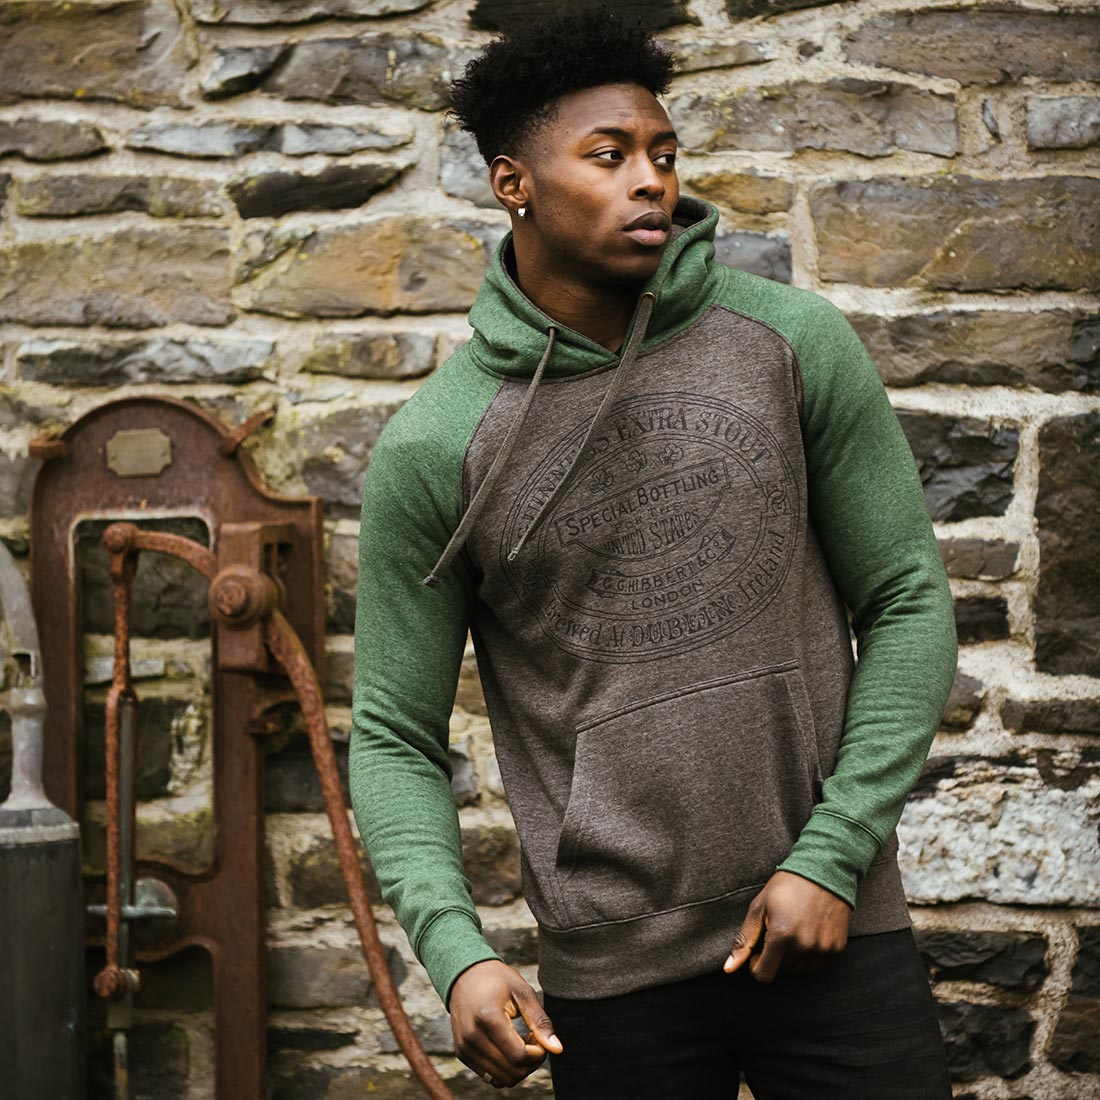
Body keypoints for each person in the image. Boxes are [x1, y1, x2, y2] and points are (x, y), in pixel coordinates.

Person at [349, 8, 958, 1097]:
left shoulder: (788, 344)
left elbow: (908, 599)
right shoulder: (437, 443)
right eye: (608, 155)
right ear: (511, 183)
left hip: (832, 929)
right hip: (612, 971)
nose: (649, 181)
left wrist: (830, 853)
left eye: (662, 155)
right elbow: (393, 732)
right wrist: (457, 953)